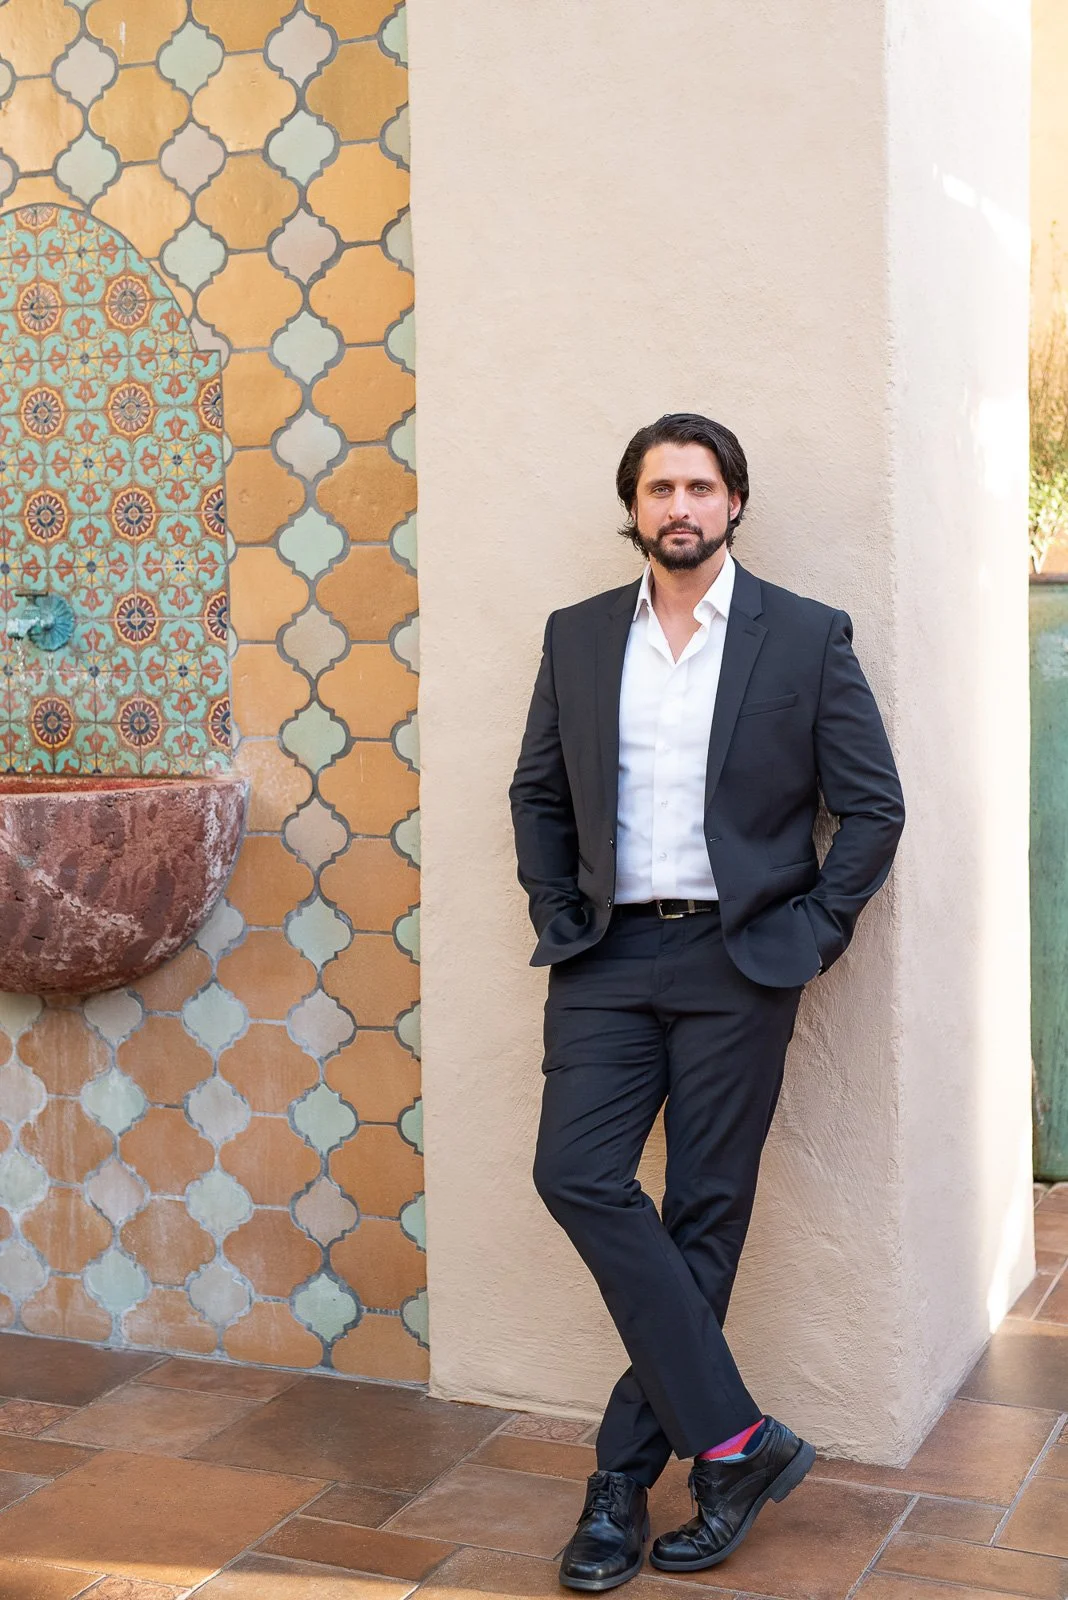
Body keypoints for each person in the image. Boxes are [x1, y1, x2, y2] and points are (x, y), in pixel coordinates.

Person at [509, 414, 905, 1588]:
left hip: (744, 964)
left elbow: (873, 808)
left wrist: (814, 930)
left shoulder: (805, 636)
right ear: (631, 506)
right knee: (574, 1172)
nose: (678, 504)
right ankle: (737, 1439)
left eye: (699, 485)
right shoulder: (579, 636)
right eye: (657, 486)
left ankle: (620, 1487)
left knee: (703, 1217)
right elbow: (537, 789)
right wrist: (555, 905)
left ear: (734, 502)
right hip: (608, 957)